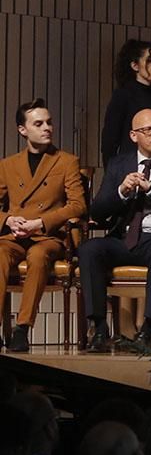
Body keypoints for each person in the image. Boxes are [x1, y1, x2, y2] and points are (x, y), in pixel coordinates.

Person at [79, 109, 151, 351]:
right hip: (122, 238)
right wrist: (121, 191)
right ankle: (99, 329)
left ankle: (148, 329)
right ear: (134, 136)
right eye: (148, 130)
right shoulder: (118, 164)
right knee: (90, 249)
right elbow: (98, 212)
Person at [0, 98, 86, 351]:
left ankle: (23, 328)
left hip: (47, 236)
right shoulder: (8, 164)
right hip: (15, 235)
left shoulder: (66, 161)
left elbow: (78, 205)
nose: (47, 127)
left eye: (49, 122)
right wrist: (8, 219)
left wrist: (40, 222)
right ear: (23, 130)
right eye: (38, 123)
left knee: (38, 256)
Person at [101, 39, 151, 167]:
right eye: (149, 60)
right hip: (128, 166)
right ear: (135, 66)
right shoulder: (123, 95)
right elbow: (110, 140)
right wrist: (113, 174)